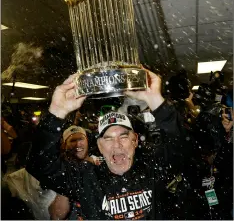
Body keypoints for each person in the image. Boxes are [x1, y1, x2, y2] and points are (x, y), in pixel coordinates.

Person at [26, 69, 192, 219]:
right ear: (99, 146)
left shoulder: (153, 168)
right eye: (108, 138)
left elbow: (180, 145)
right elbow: (39, 163)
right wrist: (56, 112)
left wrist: (155, 100)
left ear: (134, 140)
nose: (117, 145)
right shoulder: (86, 179)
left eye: (123, 136)